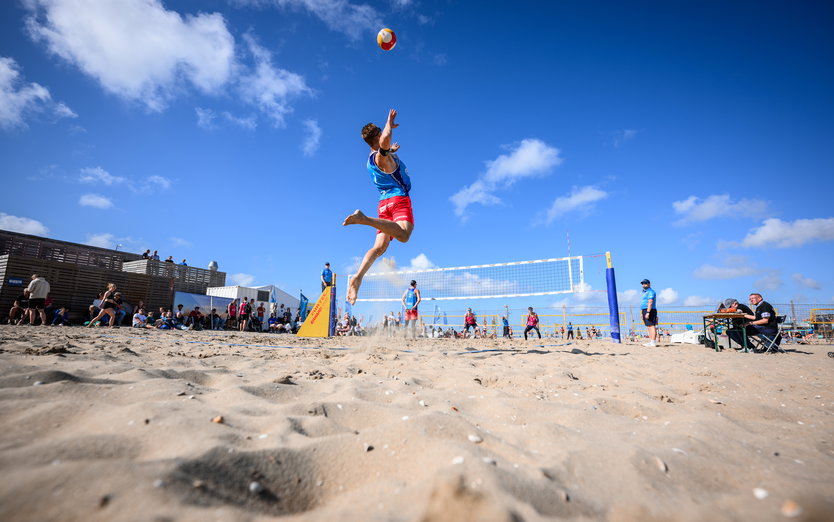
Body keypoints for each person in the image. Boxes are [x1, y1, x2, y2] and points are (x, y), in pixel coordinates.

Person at [342, 109, 414, 305]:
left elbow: (383, 149)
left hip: (384, 204)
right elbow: (383, 145)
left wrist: (392, 150)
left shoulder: (372, 159)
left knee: (379, 247)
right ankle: (363, 220)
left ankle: (358, 277)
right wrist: (389, 124)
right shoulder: (381, 154)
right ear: (378, 136)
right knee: (404, 236)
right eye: (381, 132)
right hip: (398, 199)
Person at [640, 279, 658, 347]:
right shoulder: (645, 292)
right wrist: (642, 313)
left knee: (651, 325)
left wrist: (648, 312)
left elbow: (650, 302)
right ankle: (651, 341)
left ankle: (653, 342)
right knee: (648, 326)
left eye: (645, 283)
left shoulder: (651, 291)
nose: (643, 285)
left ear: (649, 284)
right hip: (645, 310)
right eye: (643, 284)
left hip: (650, 310)